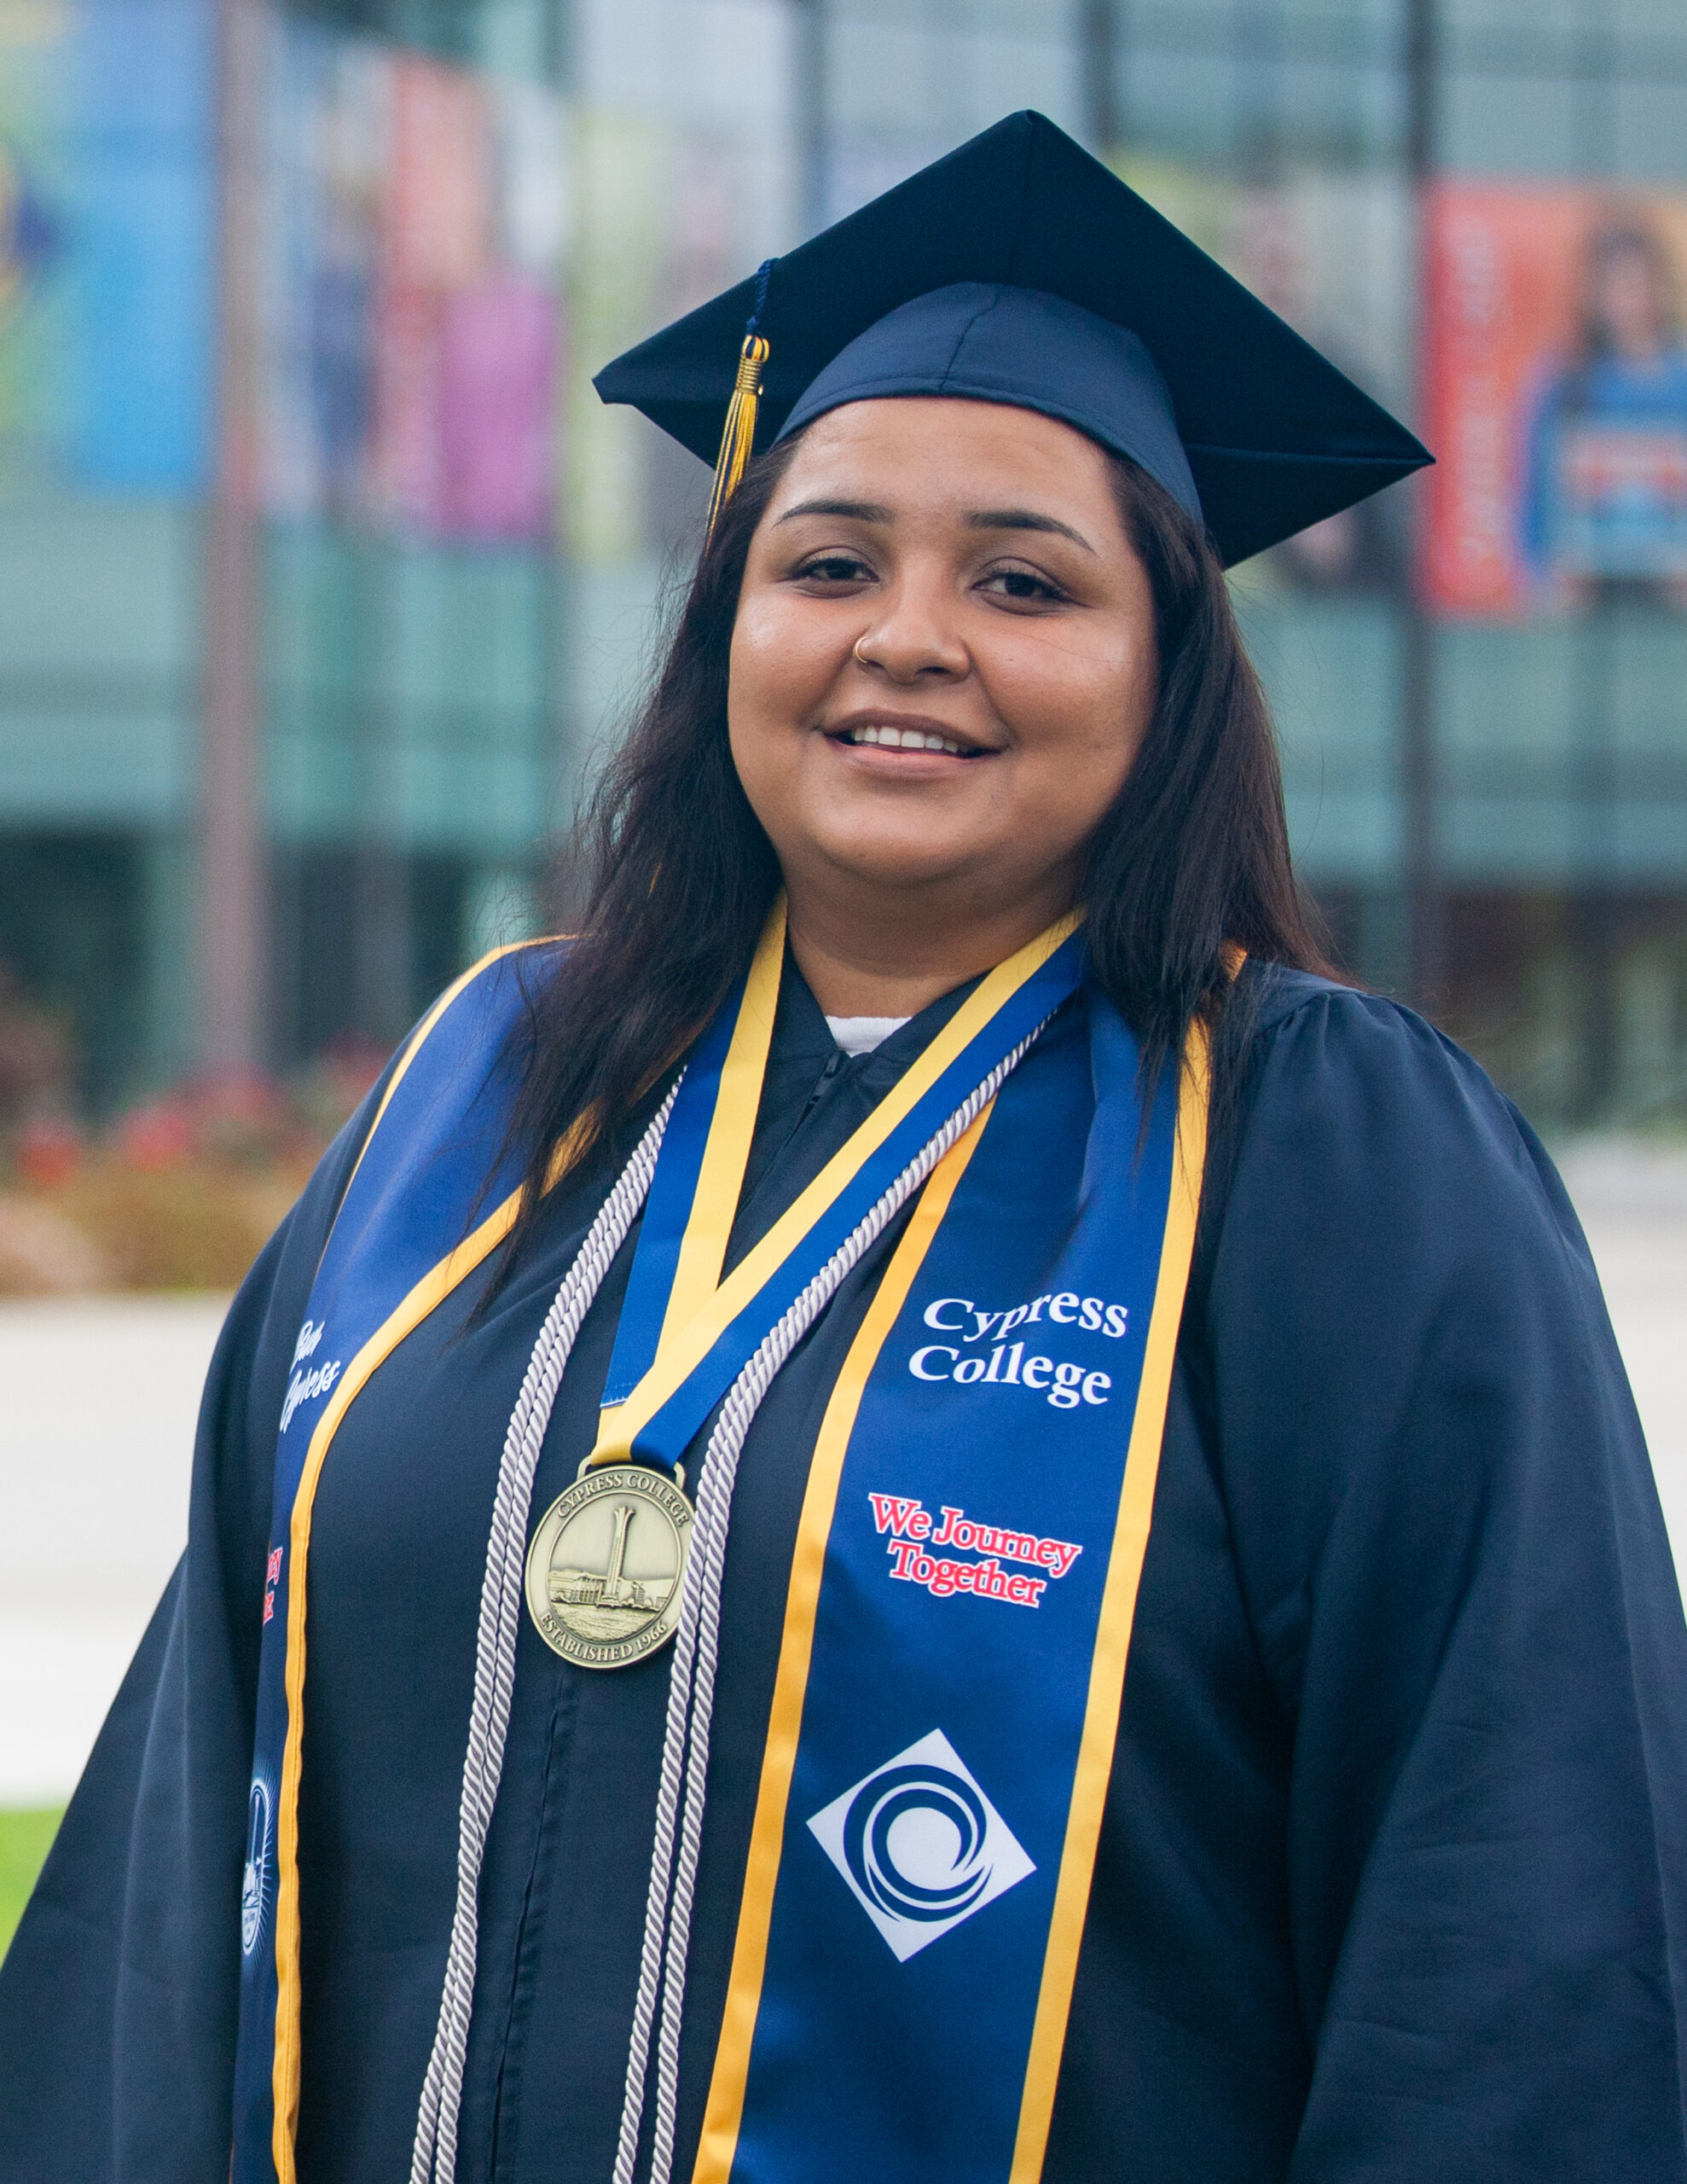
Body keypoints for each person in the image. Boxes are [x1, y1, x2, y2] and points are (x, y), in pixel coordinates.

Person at [3, 110, 1684, 2184]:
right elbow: (191, 1828)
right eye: (825, 562)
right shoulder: (473, 1099)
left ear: (1168, 676)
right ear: (728, 630)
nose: (905, 633)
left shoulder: (1317, 1156)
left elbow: (1510, 1908)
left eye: (1020, 577)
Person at [1522, 214, 1687, 604]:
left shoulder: (1680, 382)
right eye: (1621, 284)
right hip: (1587, 599)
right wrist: (1548, 574)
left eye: (1644, 282)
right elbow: (1536, 493)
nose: (1635, 297)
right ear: (1594, 293)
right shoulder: (1567, 384)